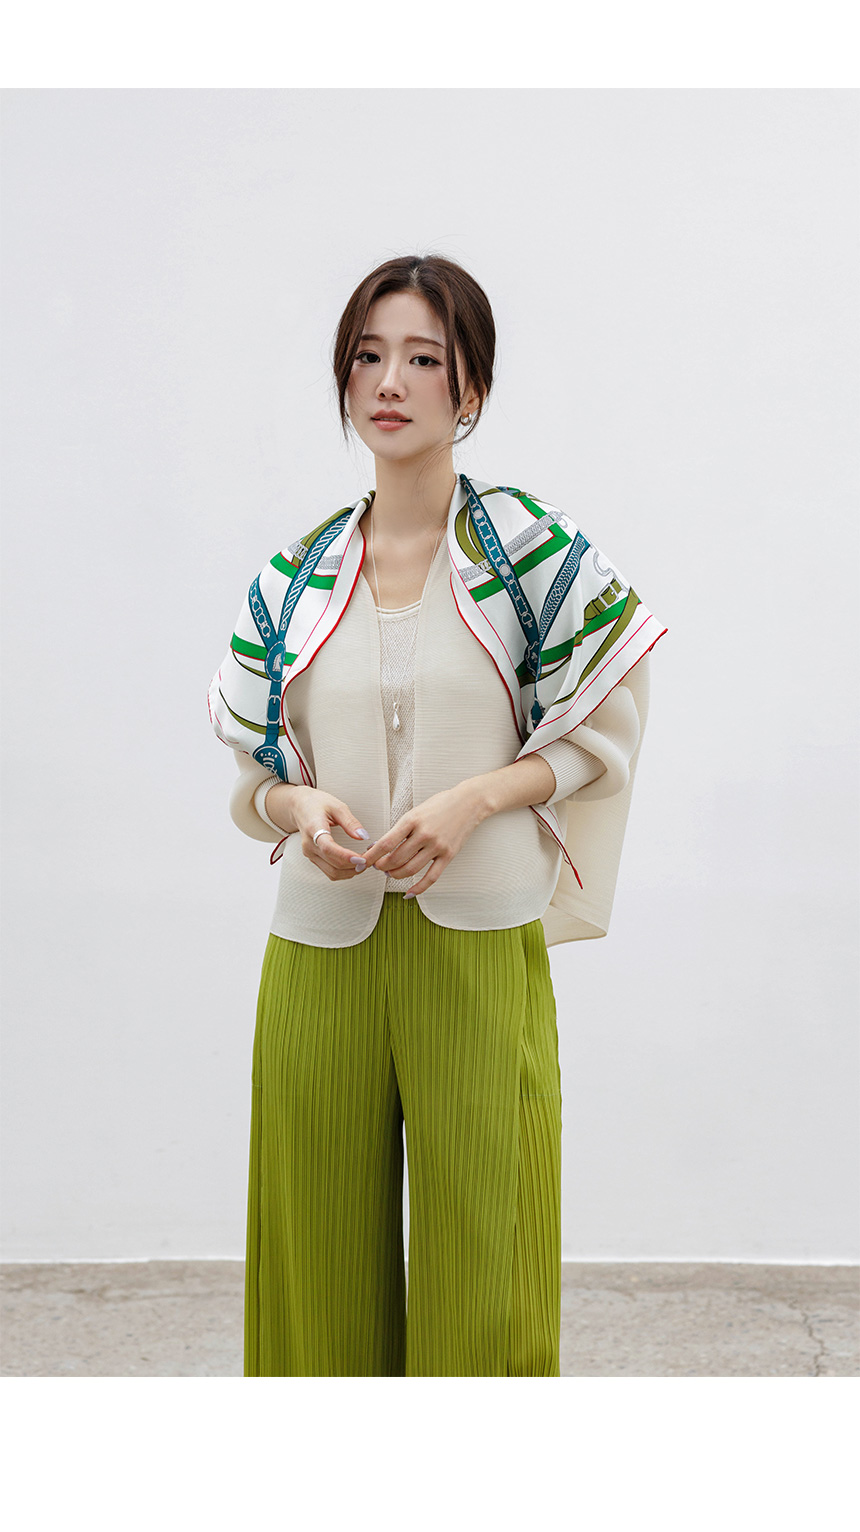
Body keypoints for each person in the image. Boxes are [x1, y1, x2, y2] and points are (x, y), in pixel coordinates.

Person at [208, 253, 667, 1377]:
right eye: (368, 355)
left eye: (423, 357)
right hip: (320, 947)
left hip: (479, 939)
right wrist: (297, 804)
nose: (389, 381)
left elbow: (601, 731)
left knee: (488, 1267)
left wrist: (478, 796)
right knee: (313, 1270)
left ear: (472, 388)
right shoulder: (295, 577)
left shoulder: (531, 553)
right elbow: (254, 774)